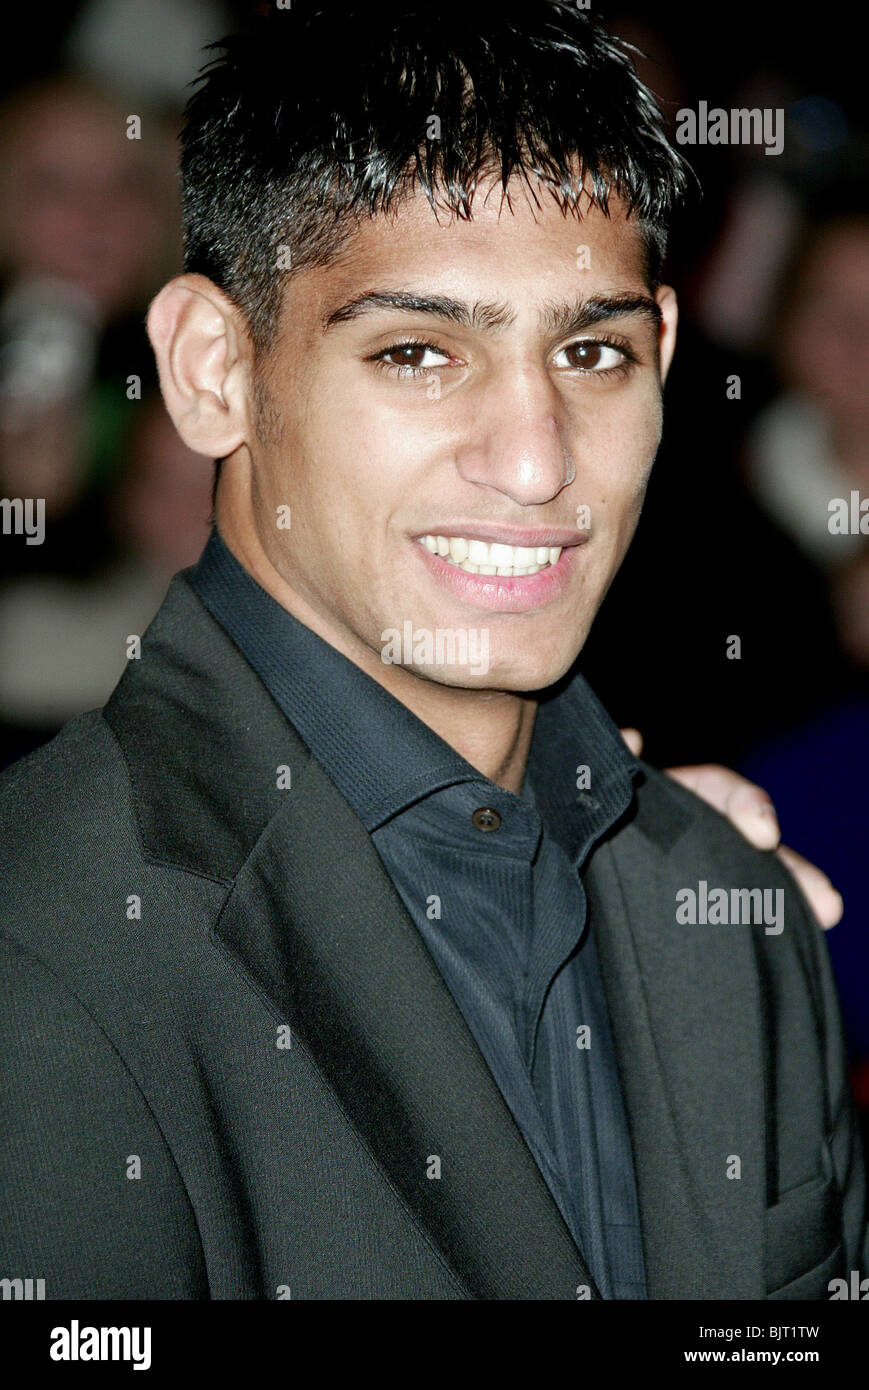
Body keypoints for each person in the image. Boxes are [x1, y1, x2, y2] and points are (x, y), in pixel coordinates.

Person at [0, 1, 864, 1301]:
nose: (533, 457)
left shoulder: (721, 910)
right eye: (416, 352)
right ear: (212, 367)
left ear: (666, 356)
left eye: (589, 350)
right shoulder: (43, 950)